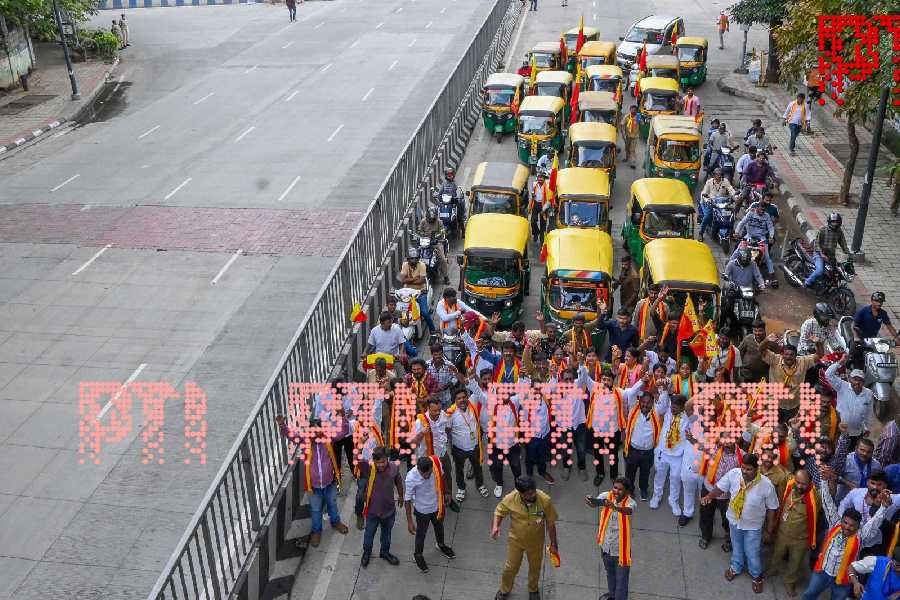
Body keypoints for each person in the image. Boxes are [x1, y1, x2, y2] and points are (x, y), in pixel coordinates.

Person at [701, 454, 779, 594]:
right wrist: (709, 496)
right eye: (743, 467)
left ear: (757, 469)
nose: (744, 471)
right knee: (737, 547)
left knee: (752, 552)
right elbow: (720, 488)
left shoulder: (766, 485)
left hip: (753, 527)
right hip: (734, 521)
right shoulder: (734, 474)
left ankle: (756, 576)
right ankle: (736, 567)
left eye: (748, 469)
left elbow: (772, 508)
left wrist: (769, 530)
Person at [802, 479, 885, 600]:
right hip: (822, 571)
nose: (847, 527)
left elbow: (874, 523)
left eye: (852, 525)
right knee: (809, 594)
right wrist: (824, 481)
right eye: (845, 522)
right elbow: (828, 503)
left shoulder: (860, 536)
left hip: (844, 579)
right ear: (841, 520)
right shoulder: (835, 524)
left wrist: (883, 508)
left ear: (858, 526)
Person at [276, 415, 349, 548]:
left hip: (330, 483)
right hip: (313, 487)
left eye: (318, 431)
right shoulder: (305, 442)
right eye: (313, 432)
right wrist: (282, 425)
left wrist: (343, 417)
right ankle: (316, 531)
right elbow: (291, 435)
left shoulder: (329, 438)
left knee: (332, 504)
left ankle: (335, 522)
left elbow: (344, 431)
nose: (316, 435)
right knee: (315, 510)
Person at [576, 362, 647, 486]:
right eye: (603, 379)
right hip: (597, 429)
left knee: (613, 454)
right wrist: (581, 364)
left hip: (613, 430)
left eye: (608, 380)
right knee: (597, 453)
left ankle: (614, 476)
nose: (605, 382)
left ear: (613, 382)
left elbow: (631, 392)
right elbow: (585, 378)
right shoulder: (595, 387)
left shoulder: (619, 392)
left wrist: (642, 381)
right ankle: (600, 473)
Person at [492, 476, 559, 600]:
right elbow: (499, 512)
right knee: (510, 568)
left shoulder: (544, 500)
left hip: (536, 543)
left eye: (534, 491)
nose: (533, 495)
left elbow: (550, 523)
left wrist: (554, 544)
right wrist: (496, 526)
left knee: (535, 568)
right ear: (521, 493)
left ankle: (533, 589)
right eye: (529, 493)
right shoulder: (511, 498)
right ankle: (504, 589)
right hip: (515, 541)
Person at [768, 470, 819, 597]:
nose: (800, 486)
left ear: (810, 482)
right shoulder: (790, 484)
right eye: (798, 482)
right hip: (782, 532)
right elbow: (782, 472)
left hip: (800, 538)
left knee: (795, 563)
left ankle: (789, 582)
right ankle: (771, 570)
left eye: (803, 484)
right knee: (776, 554)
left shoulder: (815, 497)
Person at [588, 477, 637, 600]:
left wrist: (614, 507)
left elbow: (628, 511)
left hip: (621, 551)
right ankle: (612, 595)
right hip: (606, 547)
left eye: (620, 489)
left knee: (622, 582)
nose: (616, 491)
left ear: (626, 491)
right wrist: (590, 501)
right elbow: (594, 504)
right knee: (610, 575)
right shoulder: (606, 495)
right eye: (615, 487)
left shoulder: (630, 502)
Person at [651, 394, 696, 525]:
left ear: (682, 408)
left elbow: (690, 406)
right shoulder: (667, 413)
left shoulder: (688, 418)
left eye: (676, 407)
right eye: (672, 406)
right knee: (659, 475)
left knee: (675, 477)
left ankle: (673, 500)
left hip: (677, 455)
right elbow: (663, 401)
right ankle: (657, 495)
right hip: (663, 451)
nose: (672, 409)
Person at [405, 456, 455, 573]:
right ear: (418, 469)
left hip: (437, 506)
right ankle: (418, 555)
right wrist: (410, 521)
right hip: (422, 510)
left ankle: (441, 545)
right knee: (421, 533)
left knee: (439, 527)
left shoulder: (436, 464)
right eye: (423, 475)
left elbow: (442, 477)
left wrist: (447, 492)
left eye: (429, 473)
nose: (426, 477)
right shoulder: (411, 477)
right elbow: (407, 500)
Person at [759, 334, 822, 422]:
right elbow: (761, 350)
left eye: (792, 355)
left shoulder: (802, 361)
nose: (789, 357)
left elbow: (819, 356)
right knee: (773, 427)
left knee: (790, 428)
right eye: (786, 354)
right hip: (774, 403)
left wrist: (819, 344)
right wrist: (766, 340)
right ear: (782, 354)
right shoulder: (775, 359)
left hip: (794, 405)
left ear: (796, 356)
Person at [358, 447, 404, 567]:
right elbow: (357, 460)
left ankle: (385, 552)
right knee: (369, 535)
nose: (381, 465)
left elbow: (398, 479)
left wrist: (401, 495)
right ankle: (366, 553)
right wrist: (360, 445)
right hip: (373, 512)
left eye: (383, 462)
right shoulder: (369, 469)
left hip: (389, 511)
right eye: (377, 463)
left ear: (387, 459)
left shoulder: (394, 467)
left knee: (386, 535)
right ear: (373, 461)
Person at [412, 396, 460, 513]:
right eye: (434, 410)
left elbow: (447, 428)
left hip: (442, 453)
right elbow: (413, 443)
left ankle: (448, 498)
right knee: (428, 480)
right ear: (428, 408)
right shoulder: (420, 422)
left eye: (439, 409)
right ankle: (426, 503)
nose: (437, 413)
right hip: (427, 457)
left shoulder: (443, 414)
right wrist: (421, 434)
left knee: (447, 475)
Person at [623, 385, 669, 502]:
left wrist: (664, 389)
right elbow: (631, 393)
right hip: (633, 450)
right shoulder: (633, 409)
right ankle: (630, 490)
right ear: (639, 402)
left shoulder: (656, 412)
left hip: (648, 452)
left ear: (653, 403)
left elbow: (664, 403)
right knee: (630, 474)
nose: (645, 405)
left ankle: (643, 489)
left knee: (645, 473)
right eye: (643, 402)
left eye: (648, 403)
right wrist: (641, 381)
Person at [697, 435, 743, 550]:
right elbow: (700, 446)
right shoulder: (714, 448)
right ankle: (706, 536)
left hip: (726, 495)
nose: (726, 444)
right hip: (709, 489)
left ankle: (729, 540)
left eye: (730, 441)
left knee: (728, 519)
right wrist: (692, 439)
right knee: (706, 514)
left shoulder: (741, 455)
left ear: (736, 440)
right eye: (724, 440)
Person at [447, 385, 490, 501]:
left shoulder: (473, 405)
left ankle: (480, 485)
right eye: (459, 398)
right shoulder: (450, 413)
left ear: (467, 397)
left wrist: (471, 378)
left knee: (478, 467)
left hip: (475, 446)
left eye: (464, 397)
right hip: (459, 449)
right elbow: (447, 429)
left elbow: (477, 390)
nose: (462, 400)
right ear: (455, 400)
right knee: (459, 470)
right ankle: (461, 488)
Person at [826, 353, 874, 447]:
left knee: (853, 453)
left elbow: (869, 412)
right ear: (849, 379)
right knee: (838, 453)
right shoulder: (842, 386)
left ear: (864, 382)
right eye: (854, 379)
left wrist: (867, 428)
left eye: (860, 380)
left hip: (857, 433)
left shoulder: (868, 393)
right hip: (840, 431)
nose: (857, 382)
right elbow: (828, 374)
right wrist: (840, 362)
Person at [852, 292, 900, 366]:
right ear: (872, 301)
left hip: (872, 339)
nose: (879, 303)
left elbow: (889, 326)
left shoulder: (883, 313)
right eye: (877, 301)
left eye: (881, 302)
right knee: (854, 356)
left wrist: (896, 337)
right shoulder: (863, 311)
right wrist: (856, 336)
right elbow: (853, 324)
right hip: (860, 339)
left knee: (879, 356)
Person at [804, 212, 850, 288]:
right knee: (820, 271)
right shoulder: (823, 230)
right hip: (819, 254)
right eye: (833, 221)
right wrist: (821, 254)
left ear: (839, 222)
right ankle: (807, 282)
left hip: (830, 256)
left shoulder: (839, 232)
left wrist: (849, 254)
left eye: (836, 222)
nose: (835, 224)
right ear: (829, 222)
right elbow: (816, 243)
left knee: (835, 272)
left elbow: (843, 244)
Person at [733, 201, 776, 282]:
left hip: (761, 239)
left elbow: (770, 227)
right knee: (737, 251)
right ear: (757, 208)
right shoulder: (750, 213)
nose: (762, 212)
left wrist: (771, 237)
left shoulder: (767, 216)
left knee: (767, 257)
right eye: (761, 210)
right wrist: (736, 232)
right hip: (749, 236)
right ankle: (729, 268)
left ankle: (772, 275)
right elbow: (742, 223)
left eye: (764, 210)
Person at [399, 248, 437, 334]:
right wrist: (415, 278)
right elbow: (403, 280)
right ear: (408, 259)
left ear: (418, 259)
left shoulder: (422, 265)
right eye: (411, 258)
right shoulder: (405, 265)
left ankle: (433, 330)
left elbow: (421, 281)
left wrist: (409, 280)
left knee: (425, 313)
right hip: (407, 293)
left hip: (420, 292)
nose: (413, 260)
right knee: (401, 312)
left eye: (415, 258)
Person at [698, 168, 737, 239]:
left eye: (720, 175)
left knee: (731, 215)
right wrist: (707, 200)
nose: (719, 176)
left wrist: (735, 196)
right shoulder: (709, 182)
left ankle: (731, 231)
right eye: (717, 175)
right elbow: (704, 192)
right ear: (714, 175)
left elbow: (731, 189)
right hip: (712, 203)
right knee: (707, 217)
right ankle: (701, 233)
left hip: (722, 203)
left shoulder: (725, 181)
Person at [417, 207, 450, 285]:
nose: (431, 220)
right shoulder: (423, 221)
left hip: (436, 243)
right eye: (430, 218)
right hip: (425, 242)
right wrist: (423, 235)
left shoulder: (439, 222)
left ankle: (446, 277)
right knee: (416, 255)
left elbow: (442, 231)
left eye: (433, 218)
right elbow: (419, 230)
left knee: (442, 259)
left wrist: (436, 236)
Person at [529, 173, 552, 242]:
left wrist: (543, 209)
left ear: (544, 179)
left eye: (541, 178)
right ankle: (536, 233)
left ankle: (542, 237)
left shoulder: (547, 187)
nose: (540, 179)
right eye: (539, 177)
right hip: (535, 204)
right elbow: (532, 192)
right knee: (533, 221)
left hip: (543, 206)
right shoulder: (534, 184)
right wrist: (532, 194)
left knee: (543, 224)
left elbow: (549, 201)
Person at [621, 105, 640, 169]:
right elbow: (622, 125)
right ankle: (627, 158)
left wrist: (639, 119)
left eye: (634, 110)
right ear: (630, 110)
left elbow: (642, 124)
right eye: (631, 110)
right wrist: (623, 135)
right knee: (627, 148)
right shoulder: (627, 117)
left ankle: (633, 163)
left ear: (636, 111)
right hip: (628, 136)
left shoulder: (638, 116)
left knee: (632, 150)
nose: (632, 111)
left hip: (635, 136)